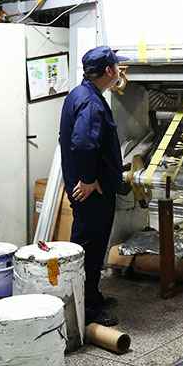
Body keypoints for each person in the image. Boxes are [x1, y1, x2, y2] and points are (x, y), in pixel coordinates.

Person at [59, 46, 128, 326]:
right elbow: (84, 143)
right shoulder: (91, 102)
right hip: (92, 192)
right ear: (109, 70)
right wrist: (88, 180)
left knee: (91, 245)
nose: (120, 70)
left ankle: (92, 296)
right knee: (89, 248)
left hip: (87, 187)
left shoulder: (81, 94)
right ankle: (86, 309)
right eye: (117, 66)